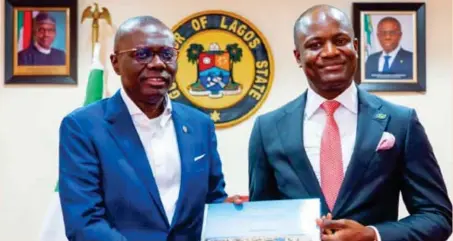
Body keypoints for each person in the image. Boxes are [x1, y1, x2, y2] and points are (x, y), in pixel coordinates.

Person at [248, 4, 451, 241]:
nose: (331, 51)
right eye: (315, 45)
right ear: (298, 57)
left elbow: (437, 216)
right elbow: (261, 221)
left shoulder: (400, 122)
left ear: (355, 47)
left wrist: (373, 235)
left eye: (340, 40)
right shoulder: (268, 129)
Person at [58, 16, 243, 241]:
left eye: (167, 54)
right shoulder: (83, 127)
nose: (158, 63)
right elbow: (84, 223)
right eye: (142, 54)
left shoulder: (199, 124)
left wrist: (230, 210)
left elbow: (212, 199)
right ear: (115, 63)